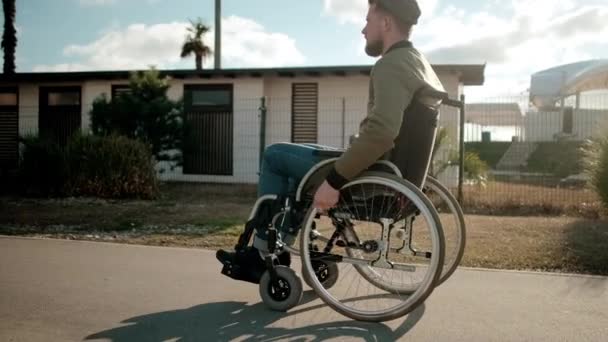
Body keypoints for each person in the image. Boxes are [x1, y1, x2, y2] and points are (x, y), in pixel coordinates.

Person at [216, 0, 445, 282]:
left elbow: (382, 132)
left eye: (367, 21)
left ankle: (262, 251)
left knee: (275, 156)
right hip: (392, 172)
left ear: (386, 23)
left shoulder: (391, 65)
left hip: (372, 176)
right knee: (304, 151)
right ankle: (280, 247)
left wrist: (334, 181)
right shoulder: (417, 63)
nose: (363, 30)